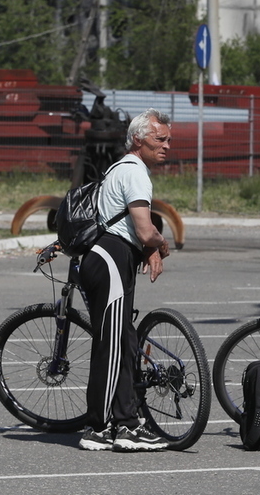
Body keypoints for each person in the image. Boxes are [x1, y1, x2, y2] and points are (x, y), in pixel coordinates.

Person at [78, 108, 174, 452]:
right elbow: (145, 229)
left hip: (105, 257)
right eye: (159, 139)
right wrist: (161, 245)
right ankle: (99, 428)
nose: (166, 146)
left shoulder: (118, 168)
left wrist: (147, 248)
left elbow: (130, 227)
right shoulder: (135, 172)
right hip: (111, 261)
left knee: (123, 342)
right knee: (113, 345)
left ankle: (125, 424)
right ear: (138, 140)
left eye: (168, 140)